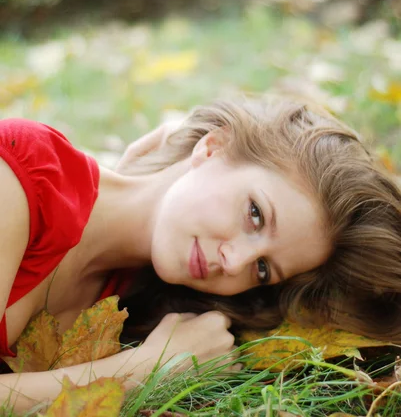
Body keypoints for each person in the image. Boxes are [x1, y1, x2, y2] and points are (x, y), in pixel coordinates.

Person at [0, 96, 400, 413]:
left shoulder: (133, 298)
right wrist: (147, 369)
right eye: (255, 214)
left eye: (262, 269)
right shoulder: (23, 174)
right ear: (213, 147)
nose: (233, 262)